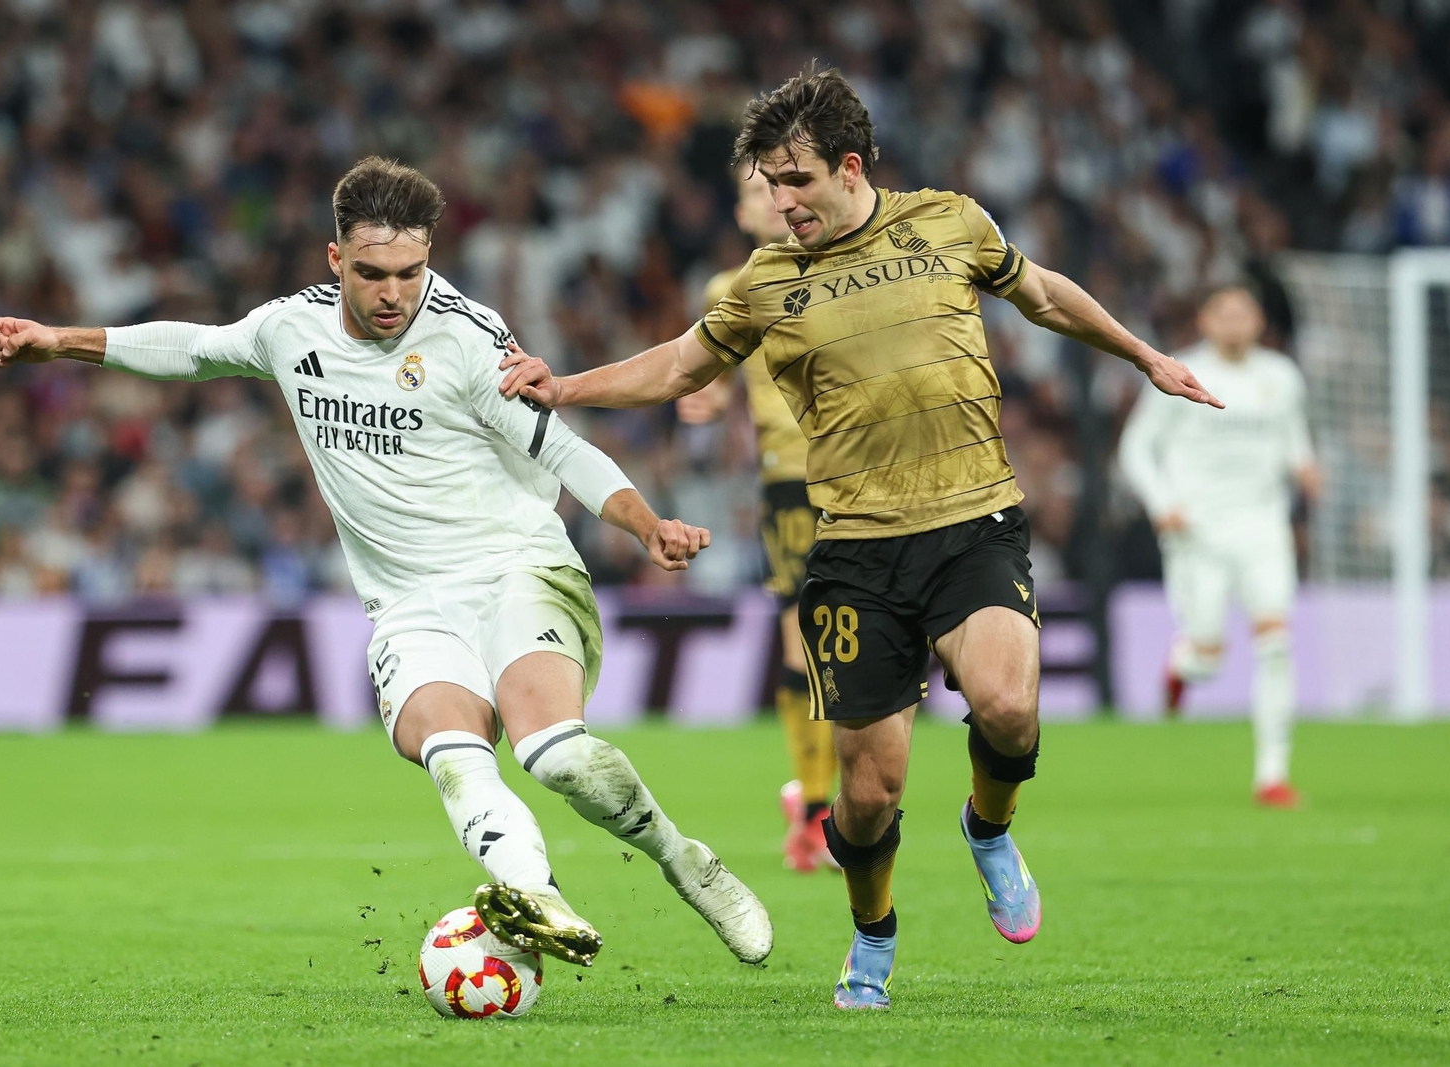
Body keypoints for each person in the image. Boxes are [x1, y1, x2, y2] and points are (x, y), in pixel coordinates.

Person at [497, 69, 1222, 1009]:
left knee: (1008, 707)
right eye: (767, 180)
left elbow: (1042, 294)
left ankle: (988, 828)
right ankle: (872, 934)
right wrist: (569, 386)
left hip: (973, 522)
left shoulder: (950, 223)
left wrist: (1143, 354)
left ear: (849, 166)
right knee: (869, 796)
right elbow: (679, 366)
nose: (779, 201)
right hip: (858, 552)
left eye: (795, 180)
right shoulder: (764, 283)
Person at [0, 155, 772, 969]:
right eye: (373, 273)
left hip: (516, 568)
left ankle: (686, 861)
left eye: (411, 271)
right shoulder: (293, 329)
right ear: (336, 261)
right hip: (407, 604)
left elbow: (563, 449)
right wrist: (59, 341)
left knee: (556, 755)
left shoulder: (468, 338)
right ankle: (534, 895)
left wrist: (647, 526)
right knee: (450, 749)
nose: (396, 292)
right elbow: (195, 349)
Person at [677, 166, 837, 873]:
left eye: (780, 188)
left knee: (866, 653)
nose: (773, 200)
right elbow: (705, 374)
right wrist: (706, 402)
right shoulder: (728, 291)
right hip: (792, 485)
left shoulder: (848, 269)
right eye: (754, 193)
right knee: (805, 650)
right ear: (742, 216)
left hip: (870, 475)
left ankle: (830, 799)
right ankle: (814, 810)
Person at [1119, 285, 1318, 808]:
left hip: (1263, 527)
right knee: (1208, 656)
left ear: (1259, 321)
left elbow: (1293, 437)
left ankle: (1272, 774)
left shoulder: (1281, 376)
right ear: (1205, 320)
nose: (1234, 322)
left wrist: (1305, 466)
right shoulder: (1179, 371)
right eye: (1223, 313)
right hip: (1197, 531)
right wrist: (1163, 503)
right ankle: (1183, 666)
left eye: (1244, 312)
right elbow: (1136, 448)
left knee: (1275, 641)